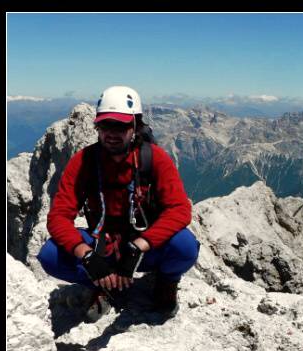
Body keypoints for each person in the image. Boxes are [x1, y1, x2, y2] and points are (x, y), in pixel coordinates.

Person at [37, 86, 200, 322]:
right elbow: (59, 216)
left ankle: (166, 282)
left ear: (135, 126)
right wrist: (87, 256)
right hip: (102, 245)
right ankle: (102, 283)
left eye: (121, 126)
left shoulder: (154, 159)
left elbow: (180, 210)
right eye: (105, 126)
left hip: (143, 247)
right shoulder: (84, 162)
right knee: (50, 255)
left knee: (185, 246)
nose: (111, 133)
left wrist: (140, 246)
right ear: (97, 127)